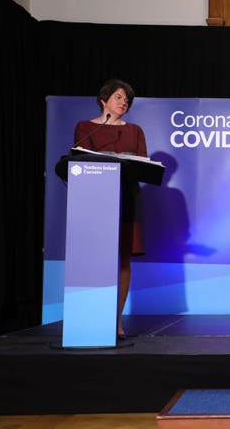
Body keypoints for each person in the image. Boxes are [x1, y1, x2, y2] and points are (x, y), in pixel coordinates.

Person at [73, 78, 148, 339]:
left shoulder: (135, 131)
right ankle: (89, 318)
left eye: (127, 99)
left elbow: (142, 165)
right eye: (118, 97)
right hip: (94, 203)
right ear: (103, 99)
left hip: (126, 199)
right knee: (93, 257)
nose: (123, 102)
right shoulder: (85, 128)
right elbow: (79, 160)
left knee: (122, 258)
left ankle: (115, 321)